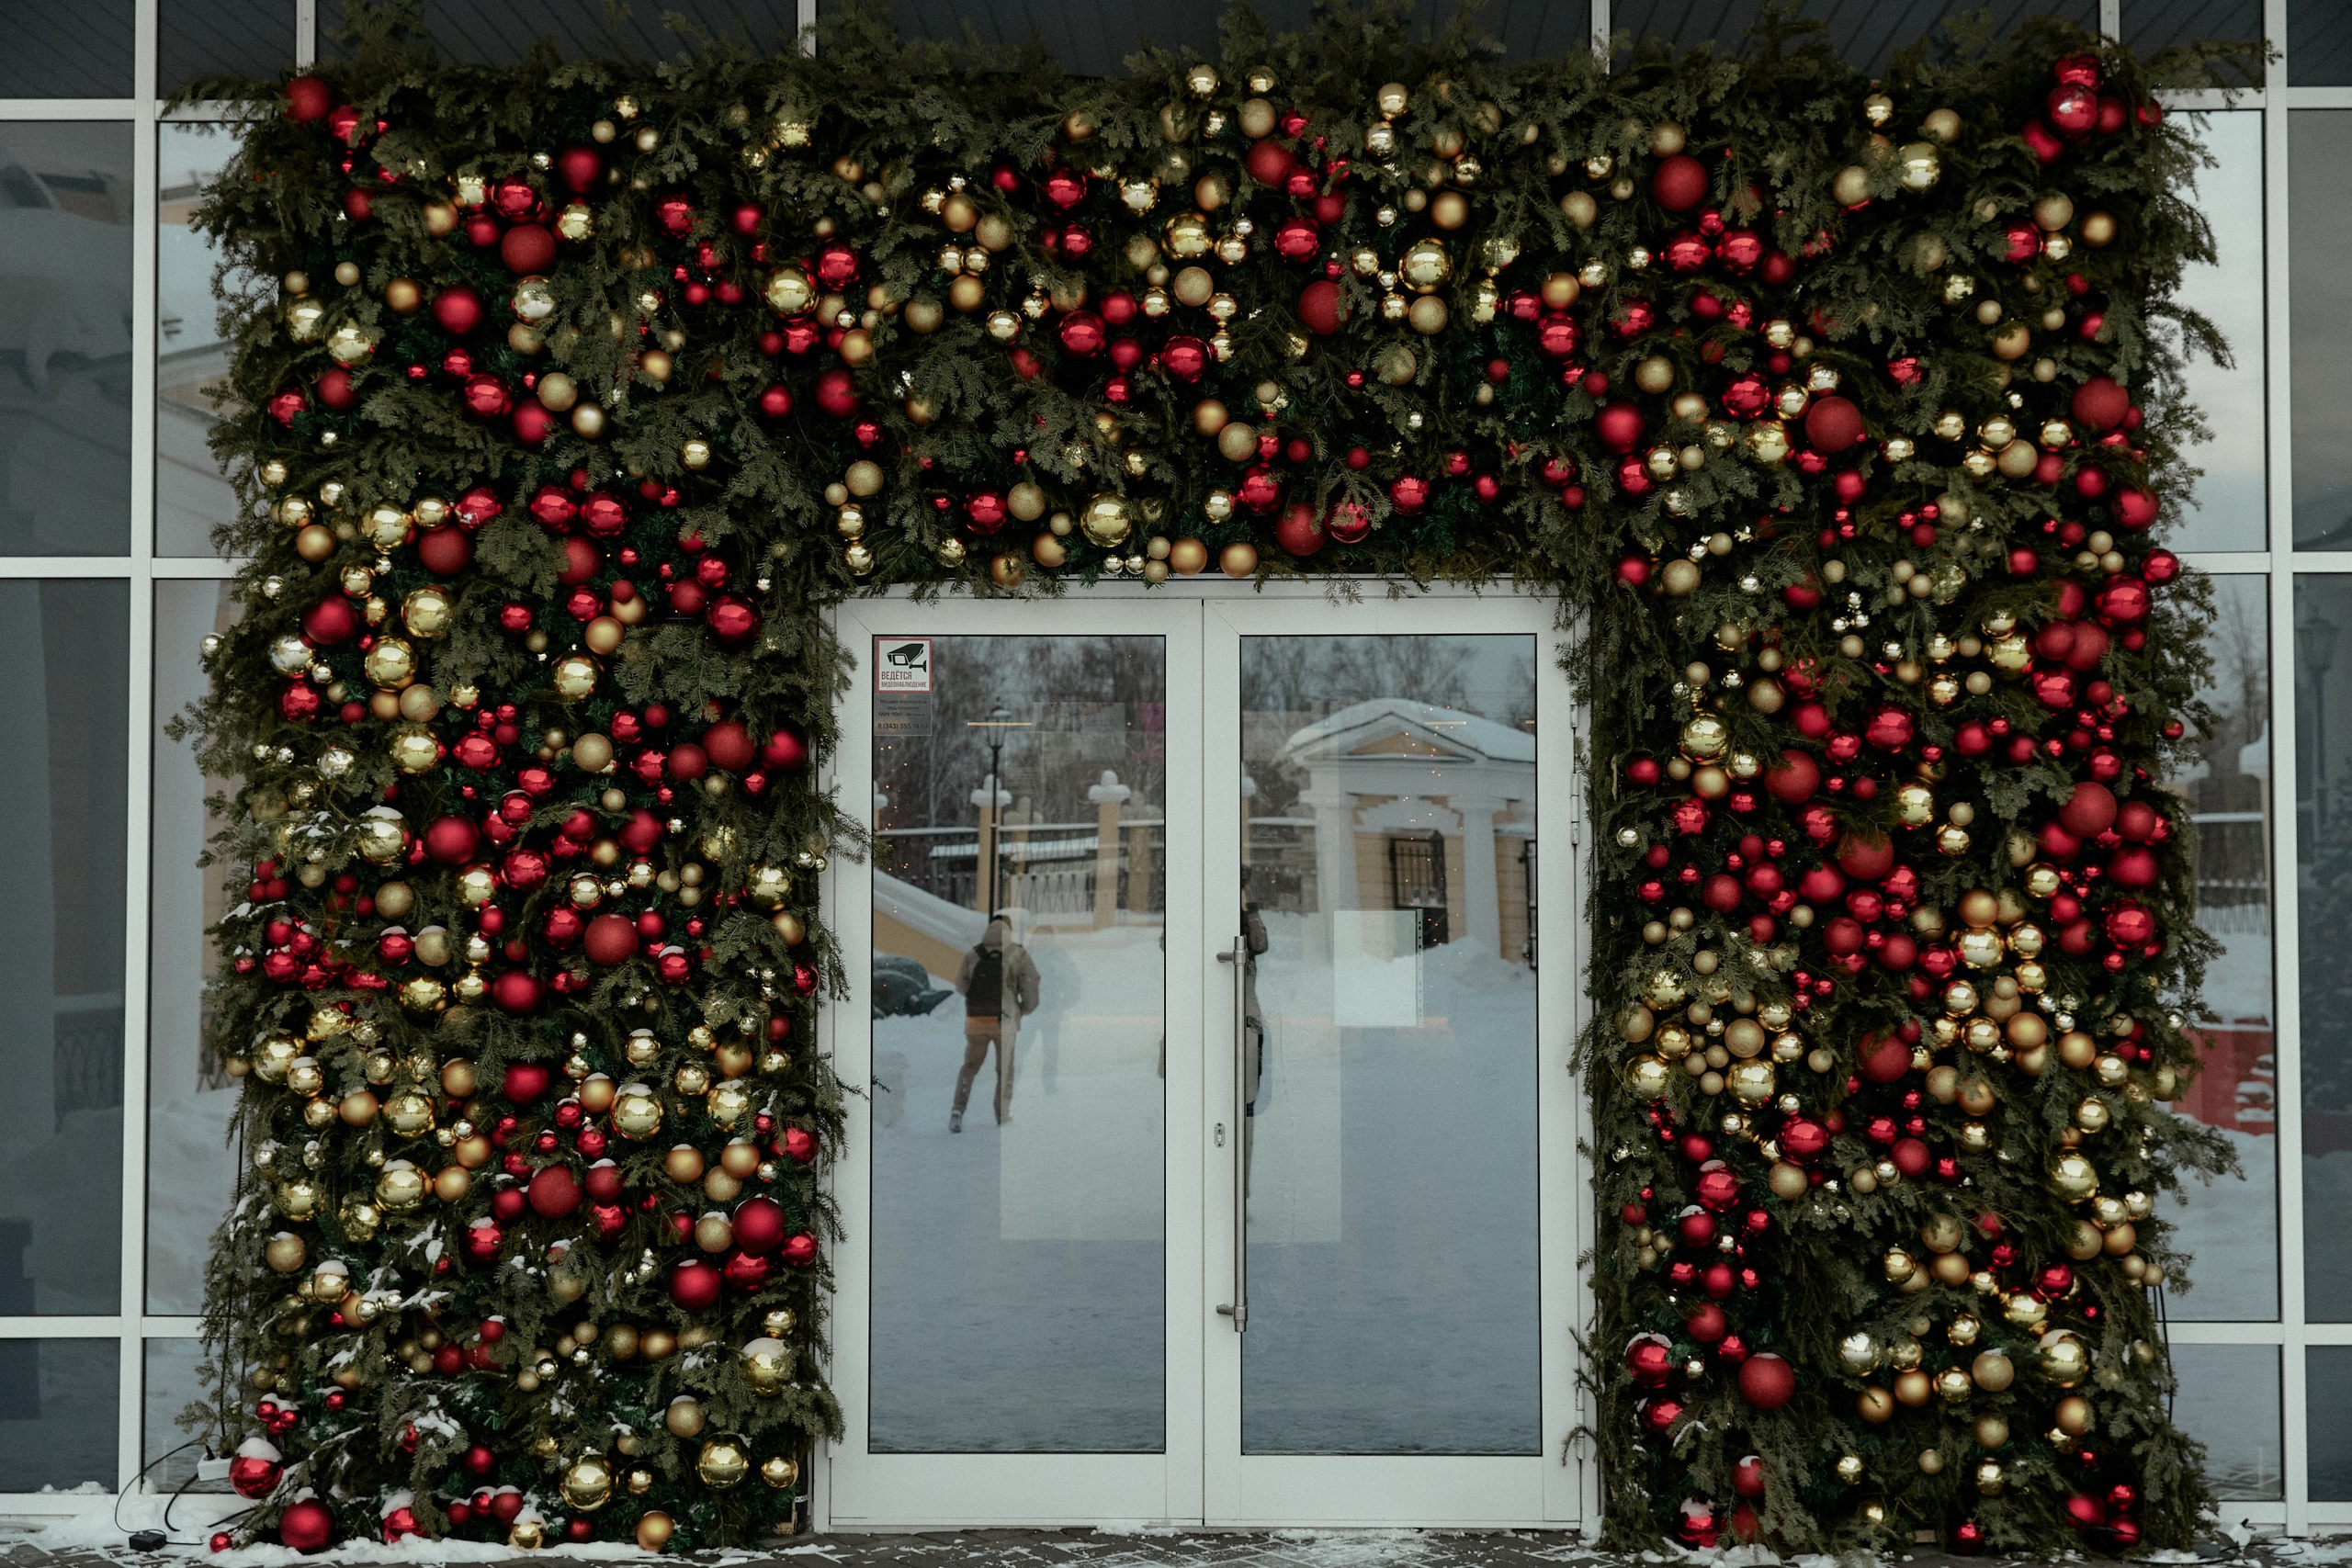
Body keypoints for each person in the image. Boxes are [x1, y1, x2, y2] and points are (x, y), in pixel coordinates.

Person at [951, 916, 1040, 1131]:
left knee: (970, 1066)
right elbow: (1030, 985)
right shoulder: (1018, 954)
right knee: (1005, 1069)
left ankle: (957, 1110)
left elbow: (961, 985)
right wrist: (1023, 1009)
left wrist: (980, 999)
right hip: (1005, 1022)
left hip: (977, 1020)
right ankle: (1002, 1114)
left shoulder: (974, 954)